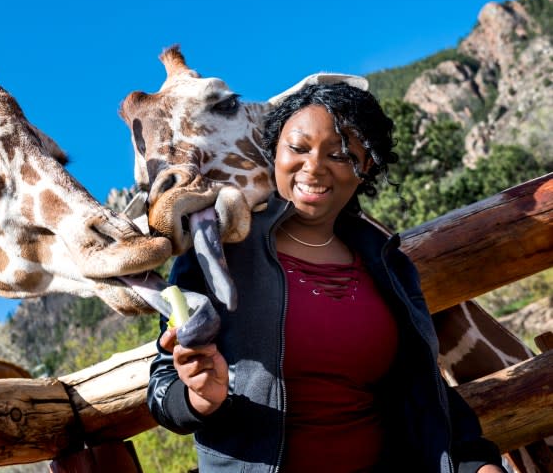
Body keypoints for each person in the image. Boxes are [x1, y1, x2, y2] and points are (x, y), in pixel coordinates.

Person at [147, 82, 504, 473]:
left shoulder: (388, 262)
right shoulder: (215, 255)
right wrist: (200, 398)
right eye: (298, 149)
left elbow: (421, 392)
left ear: (365, 166)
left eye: (339, 154)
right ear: (274, 151)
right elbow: (162, 392)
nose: (314, 167)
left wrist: (477, 464)